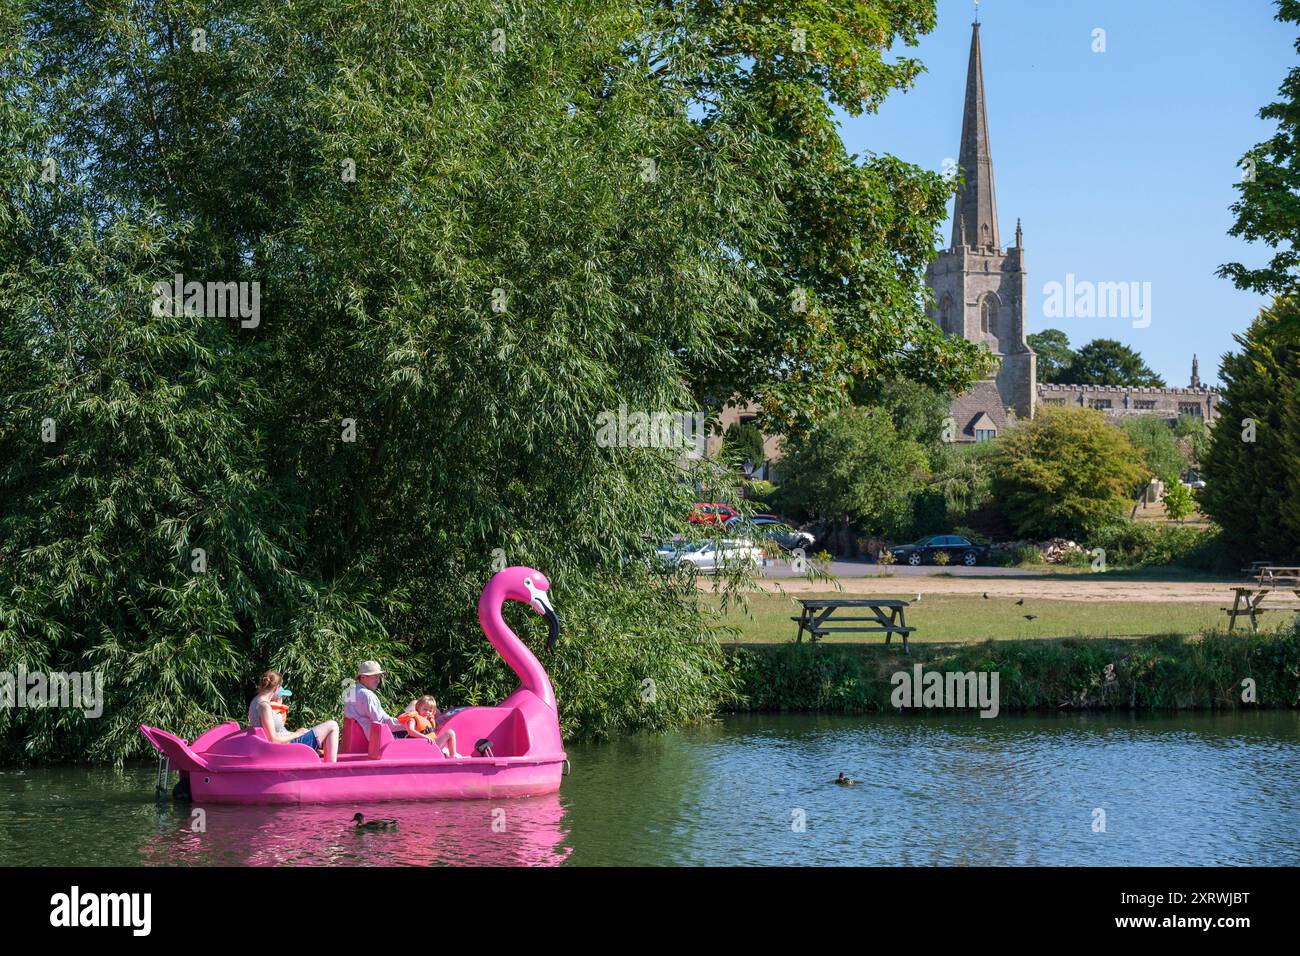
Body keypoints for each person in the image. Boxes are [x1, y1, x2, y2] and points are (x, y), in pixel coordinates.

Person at [248, 671, 339, 762]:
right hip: (286, 748)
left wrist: (297, 733)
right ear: (276, 688)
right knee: (332, 725)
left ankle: (326, 763)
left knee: (307, 730)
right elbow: (273, 739)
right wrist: (296, 734)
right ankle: (331, 767)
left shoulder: (255, 702)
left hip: (283, 745)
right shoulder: (264, 706)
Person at [343, 660, 406, 743]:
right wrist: (405, 725)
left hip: (358, 739)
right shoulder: (367, 695)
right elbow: (381, 722)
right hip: (376, 739)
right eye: (375, 676)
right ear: (363, 677)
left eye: (379, 677)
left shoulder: (351, 692)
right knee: (416, 727)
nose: (378, 680)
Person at [397, 695, 463, 758]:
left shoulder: (428, 720)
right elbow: (410, 731)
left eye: (430, 711)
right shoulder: (413, 719)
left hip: (431, 745)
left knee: (450, 733)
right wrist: (425, 737)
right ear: (418, 707)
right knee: (450, 732)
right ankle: (453, 756)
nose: (427, 712)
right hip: (424, 748)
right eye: (425, 709)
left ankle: (452, 755)